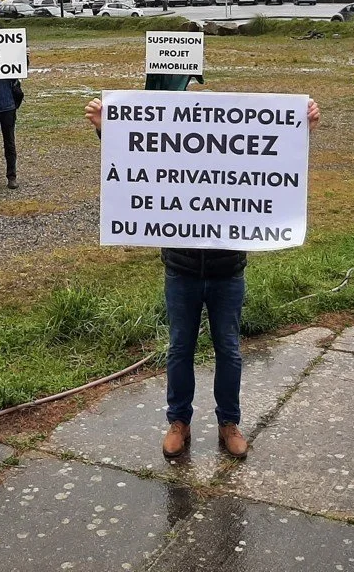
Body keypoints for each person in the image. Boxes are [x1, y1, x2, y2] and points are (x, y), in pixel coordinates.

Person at [85, 75, 320, 461]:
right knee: (181, 347)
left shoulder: (239, 156)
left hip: (228, 270)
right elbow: (137, 157)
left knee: (229, 349)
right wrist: (106, 129)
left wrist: (299, 126)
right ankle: (179, 422)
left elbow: (274, 157)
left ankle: (229, 423)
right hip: (182, 269)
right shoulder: (170, 156)